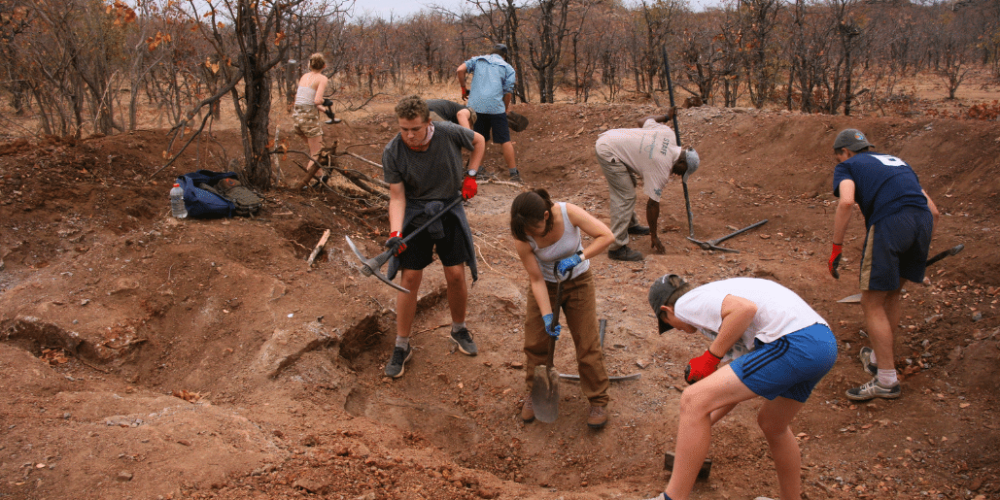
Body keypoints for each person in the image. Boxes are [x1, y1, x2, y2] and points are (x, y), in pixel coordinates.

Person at [644, 275, 837, 500]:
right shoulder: (720, 304)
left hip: (795, 343)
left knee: (692, 398)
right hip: (822, 344)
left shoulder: (687, 303)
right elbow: (734, 390)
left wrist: (709, 359)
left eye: (667, 323)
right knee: (773, 424)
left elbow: (745, 309)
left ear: (668, 310)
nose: (674, 328)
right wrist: (698, 423)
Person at [827, 128, 939, 401]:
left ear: (844, 153)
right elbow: (934, 211)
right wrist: (917, 250)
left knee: (871, 302)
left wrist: (836, 248)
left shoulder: (847, 166)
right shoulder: (898, 162)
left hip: (891, 224)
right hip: (922, 222)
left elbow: (846, 202)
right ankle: (878, 358)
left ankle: (886, 381)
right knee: (891, 295)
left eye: (839, 156)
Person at [381, 96, 487, 378]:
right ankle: (402, 345)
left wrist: (471, 175)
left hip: (448, 208)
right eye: (404, 129)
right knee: (410, 278)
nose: (409, 135)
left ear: (429, 122)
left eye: (415, 128)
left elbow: (479, 141)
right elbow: (397, 196)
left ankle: (459, 329)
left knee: (455, 274)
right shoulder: (393, 151)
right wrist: (395, 232)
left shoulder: (448, 132)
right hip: (415, 213)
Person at [510, 189, 615, 429]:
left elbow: (606, 236)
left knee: (587, 342)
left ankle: (598, 400)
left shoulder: (568, 213)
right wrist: (548, 315)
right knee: (536, 342)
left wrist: (579, 257)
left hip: (578, 282)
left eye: (534, 230)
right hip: (545, 285)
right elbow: (535, 279)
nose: (531, 236)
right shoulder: (522, 236)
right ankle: (534, 393)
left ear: (546, 215)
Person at [595, 108, 699, 261]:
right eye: (684, 171)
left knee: (630, 183)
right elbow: (652, 205)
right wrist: (654, 236)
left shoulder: (668, 134)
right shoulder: (662, 168)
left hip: (613, 138)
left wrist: (665, 117)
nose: (680, 175)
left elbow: (642, 121)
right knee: (625, 196)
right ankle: (616, 247)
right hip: (608, 151)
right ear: (682, 162)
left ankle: (630, 225)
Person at [456, 43, 520, 182]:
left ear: (491, 53)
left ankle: (476, 170)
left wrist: (463, 88)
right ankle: (514, 175)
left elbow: (460, 70)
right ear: (504, 56)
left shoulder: (478, 60)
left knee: (481, 139)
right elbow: (508, 93)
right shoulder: (507, 68)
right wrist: (505, 109)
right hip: (496, 108)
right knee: (505, 140)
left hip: (476, 107)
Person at [292, 53, 332, 186]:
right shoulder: (322, 78)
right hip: (309, 117)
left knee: (314, 150)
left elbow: (306, 100)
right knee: (317, 152)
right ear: (324, 66)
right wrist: (325, 105)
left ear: (309, 64)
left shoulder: (304, 76)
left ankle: (319, 179)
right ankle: (307, 184)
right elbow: (317, 100)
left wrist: (324, 109)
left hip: (297, 116)